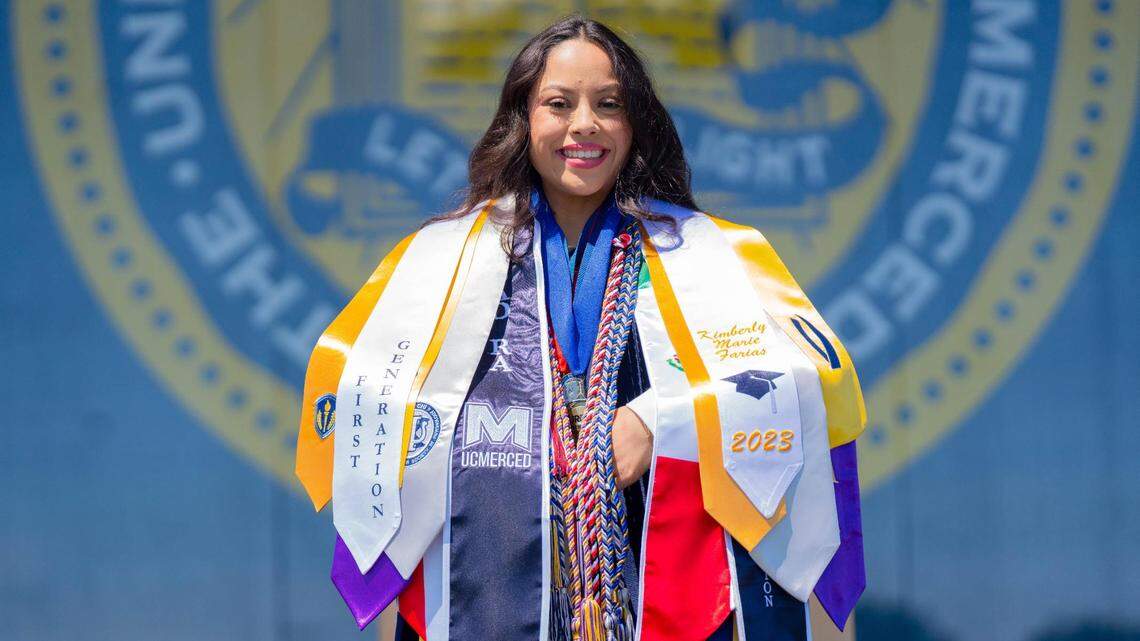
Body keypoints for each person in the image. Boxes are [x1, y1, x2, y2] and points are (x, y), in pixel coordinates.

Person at [295, 15, 868, 641]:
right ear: (524, 120)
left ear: (636, 122)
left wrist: (665, 419)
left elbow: (808, 385)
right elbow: (383, 410)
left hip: (667, 582)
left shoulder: (708, 256)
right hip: (486, 576)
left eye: (609, 104)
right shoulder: (446, 261)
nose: (584, 125)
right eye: (558, 104)